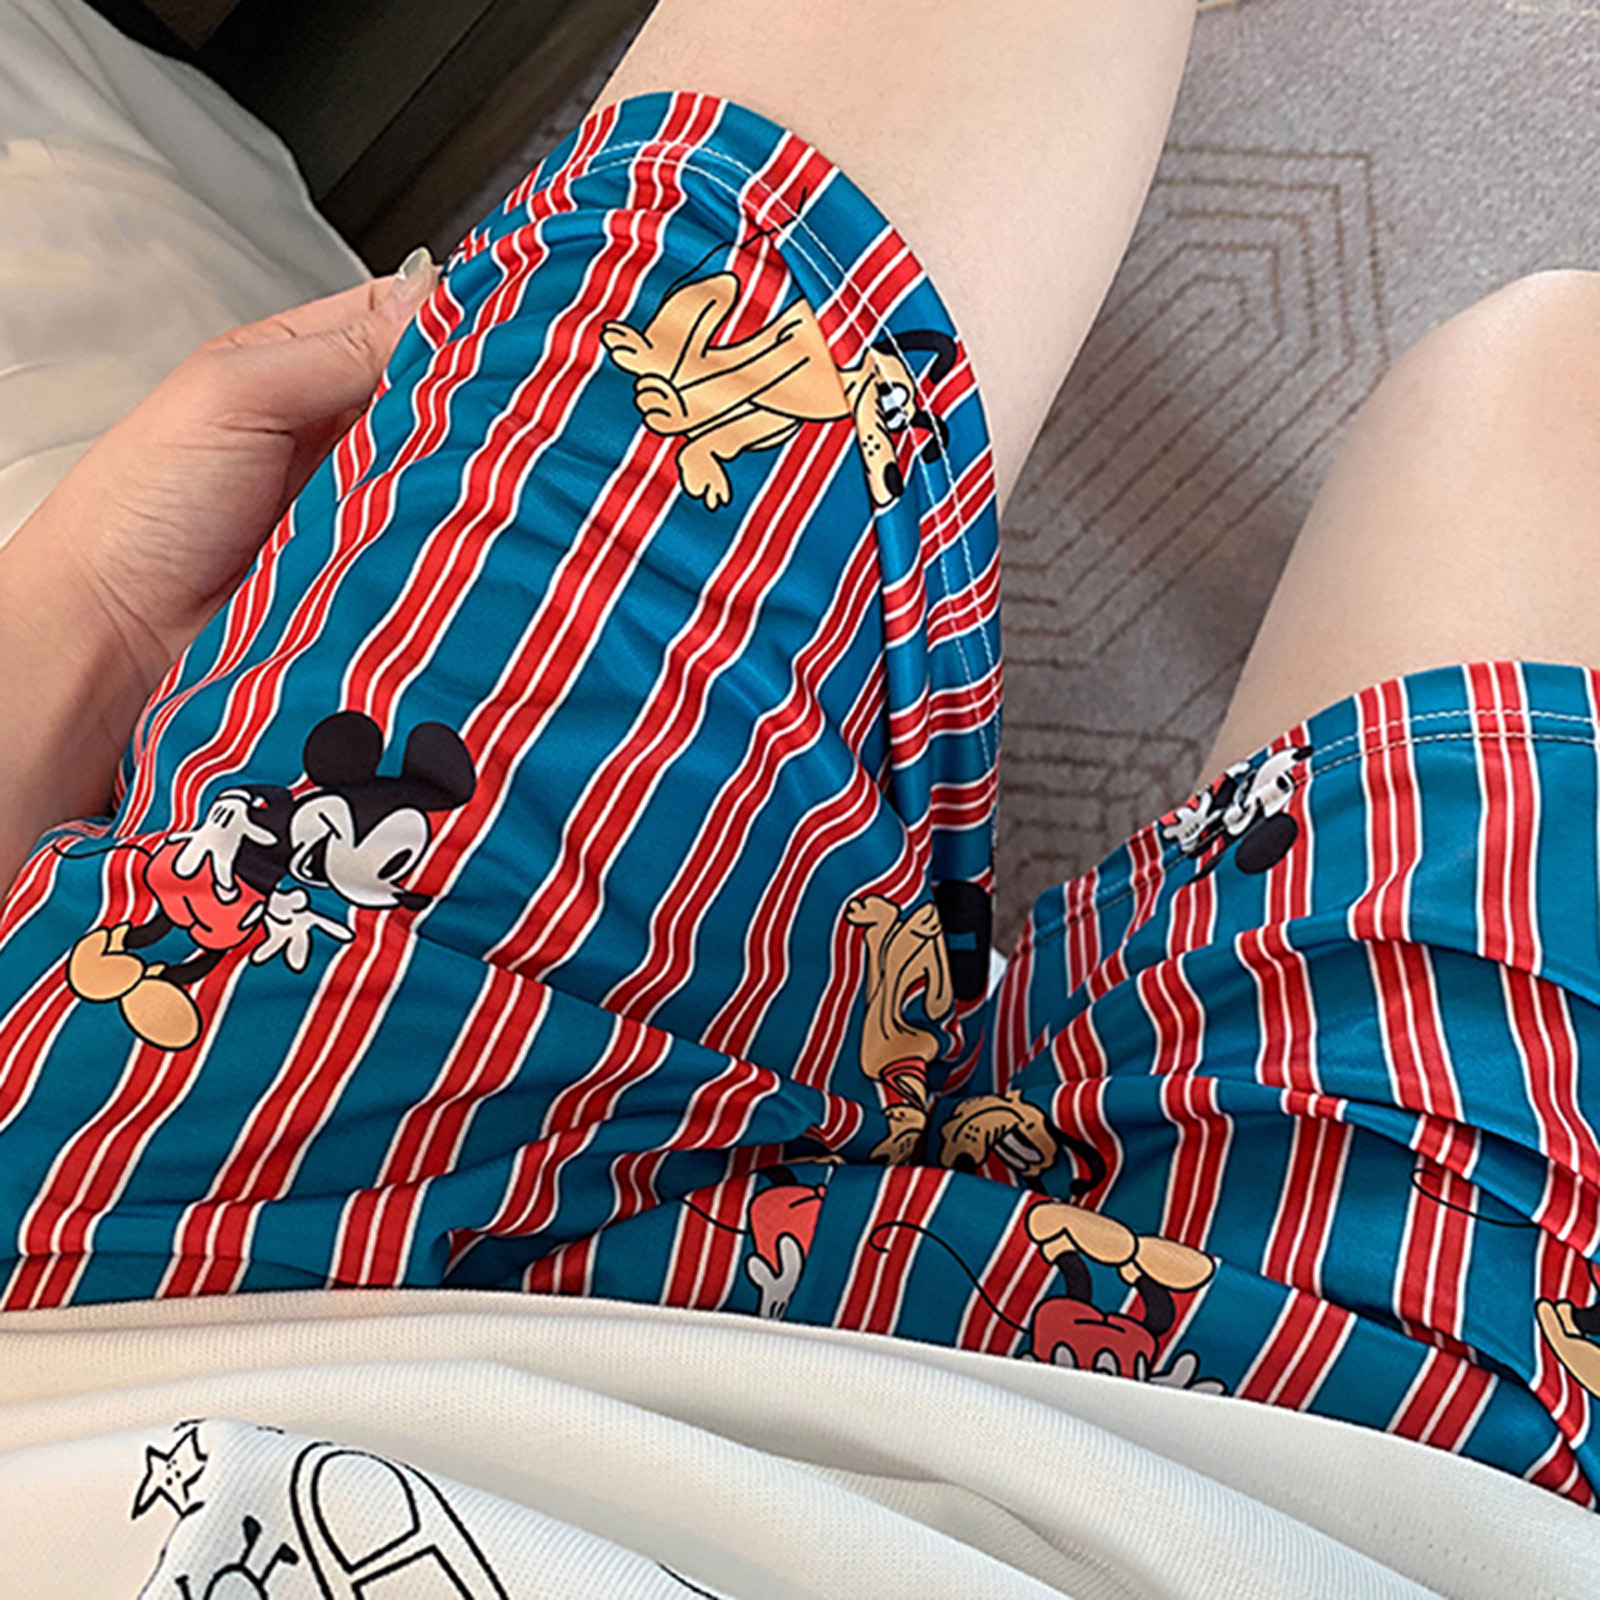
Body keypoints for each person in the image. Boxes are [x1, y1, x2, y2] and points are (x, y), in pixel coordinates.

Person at [0, 0, 1595, 1506]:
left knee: (1526, 392)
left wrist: (81, 627)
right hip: (1334, 1500)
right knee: (1551, 400)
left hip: (205, 1205)